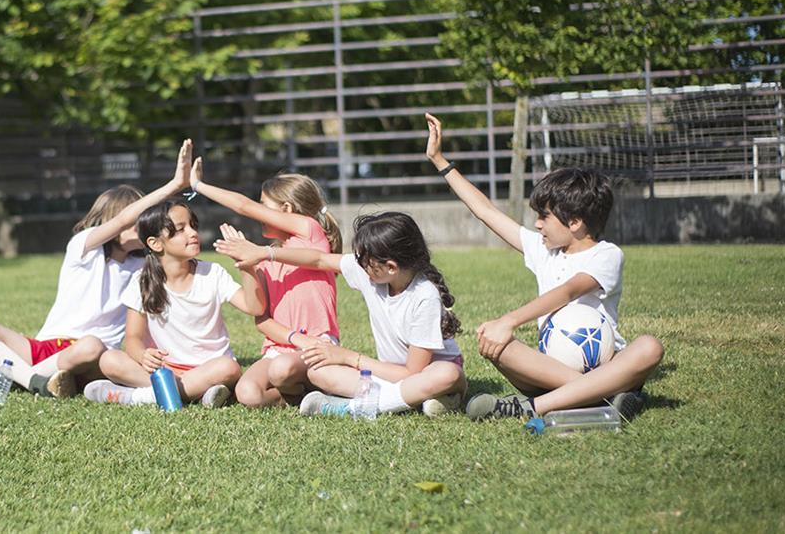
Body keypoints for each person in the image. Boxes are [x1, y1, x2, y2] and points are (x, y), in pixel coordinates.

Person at [424, 113, 664, 420]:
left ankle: (536, 407)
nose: (537, 225)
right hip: (551, 369)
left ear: (575, 222)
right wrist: (439, 159)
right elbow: (485, 211)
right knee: (492, 340)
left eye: (544, 217)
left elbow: (568, 291)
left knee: (649, 347)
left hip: (605, 363)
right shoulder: (543, 249)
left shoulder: (607, 255)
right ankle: (602, 396)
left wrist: (509, 320)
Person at [0, 139, 194, 398]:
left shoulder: (144, 267)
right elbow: (123, 219)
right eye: (136, 219)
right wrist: (173, 185)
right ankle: (34, 380)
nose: (141, 225)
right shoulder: (84, 247)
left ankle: (17, 377)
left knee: (91, 345)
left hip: (92, 357)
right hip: (45, 347)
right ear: (112, 220)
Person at [215, 212, 466, 417]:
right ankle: (420, 402)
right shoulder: (373, 276)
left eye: (366, 261)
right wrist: (265, 253)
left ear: (390, 267)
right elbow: (319, 260)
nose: (360, 266)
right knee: (317, 372)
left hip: (422, 375)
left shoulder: (424, 296)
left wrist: (349, 358)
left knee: (447, 374)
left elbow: (412, 373)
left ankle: (355, 407)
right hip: (387, 375)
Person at [189, 158, 342, 408]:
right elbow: (261, 316)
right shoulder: (264, 258)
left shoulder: (309, 230)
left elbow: (242, 206)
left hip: (318, 345)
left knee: (281, 370)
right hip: (281, 347)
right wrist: (247, 265)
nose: (258, 212)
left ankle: (316, 383)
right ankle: (300, 395)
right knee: (247, 393)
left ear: (286, 209)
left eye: (264, 207)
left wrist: (197, 185)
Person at [84, 199, 261, 408]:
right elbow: (133, 338)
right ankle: (191, 392)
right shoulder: (142, 281)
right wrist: (142, 355)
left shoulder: (212, 274)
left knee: (228, 368)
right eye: (180, 229)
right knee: (109, 359)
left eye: (193, 226)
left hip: (208, 367)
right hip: (163, 370)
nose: (192, 233)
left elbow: (254, 307)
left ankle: (140, 397)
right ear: (155, 243)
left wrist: (245, 265)